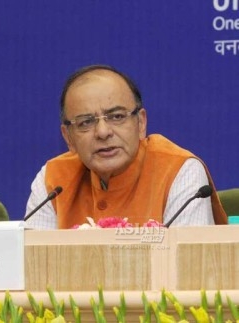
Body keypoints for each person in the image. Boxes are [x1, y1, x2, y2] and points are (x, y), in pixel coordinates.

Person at [25, 64, 227, 229]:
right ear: (68, 137)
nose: (103, 132)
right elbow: (32, 268)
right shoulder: (53, 179)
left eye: (117, 117)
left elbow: (185, 268)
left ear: (141, 123)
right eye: (86, 122)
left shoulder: (179, 171)